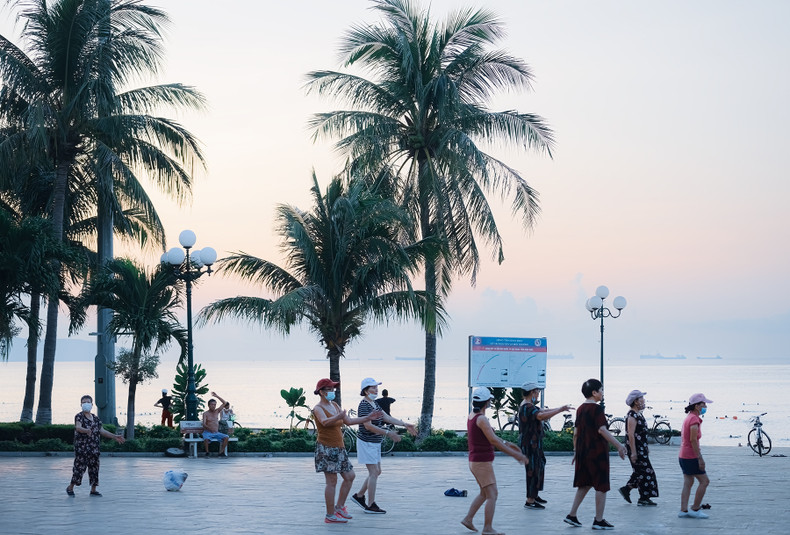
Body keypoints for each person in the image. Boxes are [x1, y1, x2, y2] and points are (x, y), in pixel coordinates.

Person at [312, 378, 383, 524]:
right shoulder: (318, 408)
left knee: (350, 476)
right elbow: (325, 422)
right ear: (321, 392)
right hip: (326, 448)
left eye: (333, 389)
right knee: (332, 481)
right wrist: (338, 416)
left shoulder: (335, 405)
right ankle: (330, 515)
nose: (333, 392)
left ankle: (339, 507)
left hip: (339, 448)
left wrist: (367, 417)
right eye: (329, 389)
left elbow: (349, 421)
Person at [461, 387, 527, 535]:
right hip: (481, 463)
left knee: (484, 494)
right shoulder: (482, 419)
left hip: (476, 461)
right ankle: (487, 528)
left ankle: (468, 519)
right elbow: (493, 441)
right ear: (487, 402)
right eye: (490, 400)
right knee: (493, 495)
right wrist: (516, 455)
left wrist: (507, 443)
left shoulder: (473, 416)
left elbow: (490, 437)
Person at [564, 379, 626, 530]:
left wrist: (575, 452)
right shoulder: (597, 409)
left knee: (584, 484)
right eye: (601, 390)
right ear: (594, 392)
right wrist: (619, 445)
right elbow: (602, 430)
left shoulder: (580, 409)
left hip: (583, 452)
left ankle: (572, 515)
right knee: (601, 486)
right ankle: (598, 520)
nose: (602, 393)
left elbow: (576, 433)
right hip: (597, 453)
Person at [350, 377, 416, 515]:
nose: (376, 389)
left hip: (375, 442)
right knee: (373, 472)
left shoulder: (375, 403)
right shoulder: (364, 405)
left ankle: (359, 496)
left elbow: (387, 418)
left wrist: (405, 424)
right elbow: (368, 426)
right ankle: (370, 505)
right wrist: (388, 433)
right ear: (366, 391)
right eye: (373, 387)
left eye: (376, 387)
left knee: (377, 471)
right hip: (366, 442)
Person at [518, 381, 573, 510]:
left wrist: (561, 408)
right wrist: (560, 410)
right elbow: (541, 416)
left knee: (539, 465)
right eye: (537, 392)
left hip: (534, 442)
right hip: (530, 443)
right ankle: (530, 500)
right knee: (532, 470)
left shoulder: (528, 405)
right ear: (532, 392)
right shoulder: (527, 407)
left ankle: (534, 495)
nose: (538, 394)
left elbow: (542, 411)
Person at [66, 394, 125, 497]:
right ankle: (70, 487)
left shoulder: (96, 418)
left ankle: (93, 490)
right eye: (84, 402)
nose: (86, 404)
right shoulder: (79, 416)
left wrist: (114, 436)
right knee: (79, 468)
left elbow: (101, 431)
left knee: (94, 469)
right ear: (81, 404)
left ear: (92, 404)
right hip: (82, 448)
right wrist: (86, 430)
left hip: (94, 449)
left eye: (88, 402)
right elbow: (78, 427)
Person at [618, 389, 659, 506]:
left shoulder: (638, 414)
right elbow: (630, 434)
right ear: (636, 401)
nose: (643, 400)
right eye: (641, 398)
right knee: (645, 472)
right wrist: (634, 453)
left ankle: (628, 490)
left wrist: (645, 447)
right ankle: (642, 497)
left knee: (641, 472)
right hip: (636, 449)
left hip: (641, 448)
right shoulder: (632, 415)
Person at [678, 393, 712, 519]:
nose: (706, 406)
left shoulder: (690, 417)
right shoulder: (694, 419)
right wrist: (700, 458)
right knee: (704, 481)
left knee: (688, 481)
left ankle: (683, 510)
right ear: (697, 406)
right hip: (690, 456)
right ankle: (695, 508)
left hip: (683, 455)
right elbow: (693, 440)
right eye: (704, 404)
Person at [201, 391, 230, 457]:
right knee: (206, 439)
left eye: (214, 404)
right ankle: (207, 452)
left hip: (216, 432)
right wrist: (210, 429)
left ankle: (221, 452)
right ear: (208, 405)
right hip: (207, 432)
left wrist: (216, 396)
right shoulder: (205, 413)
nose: (213, 406)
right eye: (212, 404)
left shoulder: (217, 411)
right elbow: (204, 424)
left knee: (226, 437)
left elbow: (224, 403)